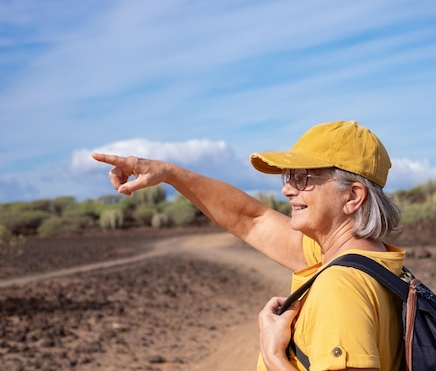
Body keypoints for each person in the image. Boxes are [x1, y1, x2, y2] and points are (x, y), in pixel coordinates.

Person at [92, 120, 405, 371]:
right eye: (288, 177)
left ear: (352, 196)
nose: (287, 190)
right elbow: (250, 219)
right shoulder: (361, 260)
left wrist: (274, 356)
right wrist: (171, 174)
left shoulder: (341, 284)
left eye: (303, 177)